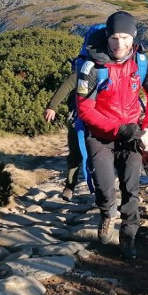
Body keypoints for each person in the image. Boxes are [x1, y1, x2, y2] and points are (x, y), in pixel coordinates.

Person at [76, 11, 148, 258]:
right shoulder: (92, 66)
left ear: (133, 37)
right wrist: (119, 129)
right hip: (101, 136)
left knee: (130, 187)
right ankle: (106, 214)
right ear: (107, 37)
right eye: (114, 37)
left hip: (132, 134)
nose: (119, 44)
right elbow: (85, 109)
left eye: (125, 37)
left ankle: (128, 235)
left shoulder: (142, 63)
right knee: (104, 188)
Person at [44, 70, 81, 201]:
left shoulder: (114, 67)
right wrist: (52, 106)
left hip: (104, 118)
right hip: (79, 118)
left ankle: (103, 191)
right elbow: (67, 85)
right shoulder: (84, 68)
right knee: (75, 154)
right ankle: (70, 185)